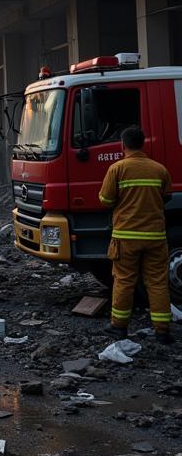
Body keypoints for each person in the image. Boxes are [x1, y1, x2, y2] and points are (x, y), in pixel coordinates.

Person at [99, 125, 173, 343]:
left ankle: (119, 327)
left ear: (123, 145)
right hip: (156, 238)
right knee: (158, 282)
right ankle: (162, 331)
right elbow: (166, 196)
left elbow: (106, 200)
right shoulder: (159, 169)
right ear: (143, 144)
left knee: (124, 281)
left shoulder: (117, 169)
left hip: (126, 238)